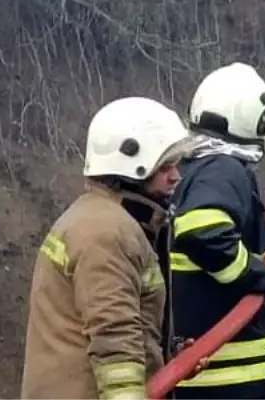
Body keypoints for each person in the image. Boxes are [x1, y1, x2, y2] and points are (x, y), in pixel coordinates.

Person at [21, 95, 195, 400]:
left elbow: (129, 323)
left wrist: (164, 355)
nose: (176, 176)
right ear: (131, 165)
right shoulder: (108, 233)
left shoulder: (99, 218)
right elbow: (114, 339)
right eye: (165, 166)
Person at [170, 62, 265, 400]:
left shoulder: (189, 169)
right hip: (238, 380)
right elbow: (201, 231)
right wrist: (259, 277)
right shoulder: (223, 169)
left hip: (210, 378)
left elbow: (213, 235)